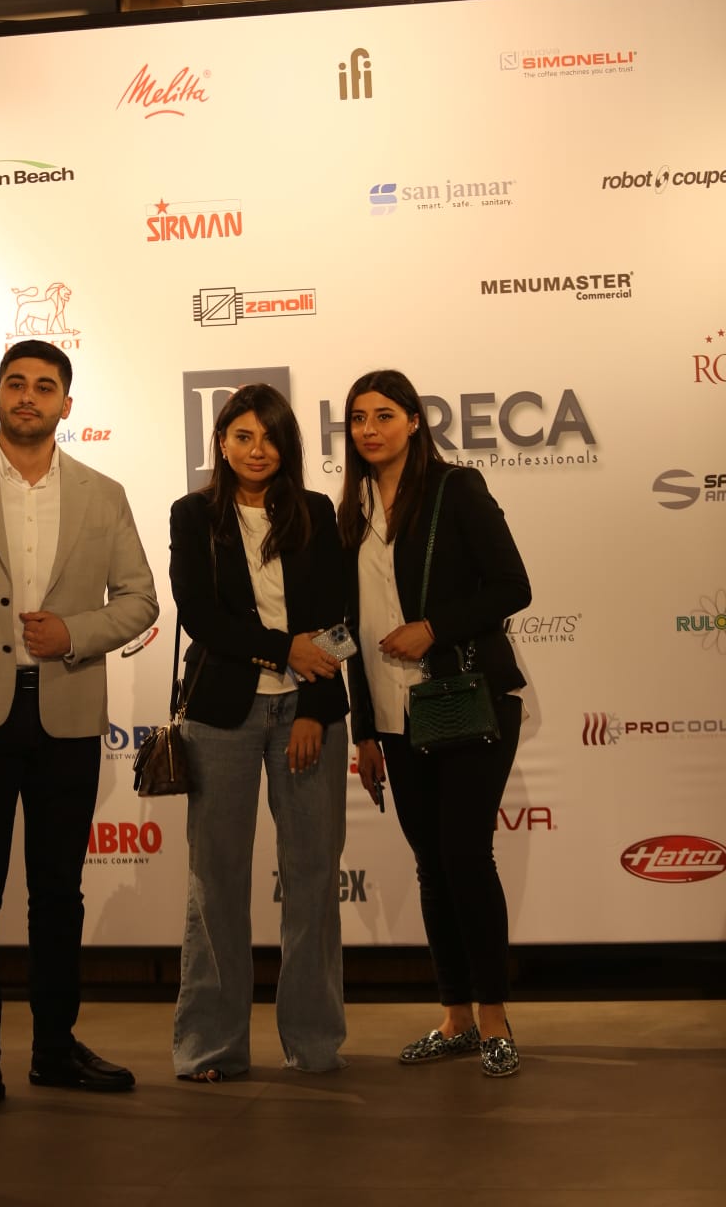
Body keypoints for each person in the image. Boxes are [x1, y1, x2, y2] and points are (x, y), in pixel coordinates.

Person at [0, 341, 158, 1119]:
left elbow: (140, 599)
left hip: (67, 716)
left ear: (65, 406)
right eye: (16, 383)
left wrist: (75, 632)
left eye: (45, 387)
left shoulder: (103, 493)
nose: (28, 396)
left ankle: (54, 1049)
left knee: (56, 894)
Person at [338, 369, 531, 1078]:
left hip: (465, 698)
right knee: (431, 864)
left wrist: (433, 628)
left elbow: (512, 586)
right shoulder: (349, 509)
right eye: (358, 418)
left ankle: (495, 1017)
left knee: (465, 855)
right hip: (393, 715)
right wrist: (363, 730)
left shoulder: (456, 489)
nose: (369, 429)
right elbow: (351, 630)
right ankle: (455, 1016)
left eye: (384, 415)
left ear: (415, 421)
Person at [169, 383, 349, 1081]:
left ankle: (314, 1042)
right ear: (221, 443)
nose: (256, 450)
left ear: (288, 446)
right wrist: (282, 651)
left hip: (305, 712)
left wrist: (314, 708)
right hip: (223, 715)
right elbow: (199, 615)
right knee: (215, 881)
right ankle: (212, 1045)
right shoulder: (193, 515)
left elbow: (336, 614)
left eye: (270, 437)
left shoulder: (315, 511)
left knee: (313, 878)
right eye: (243, 436)